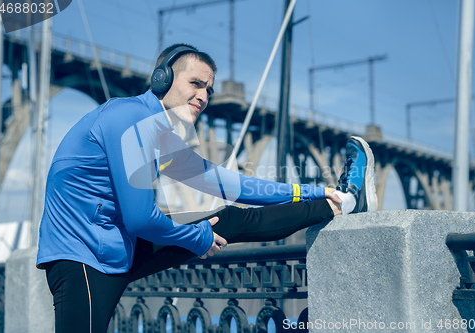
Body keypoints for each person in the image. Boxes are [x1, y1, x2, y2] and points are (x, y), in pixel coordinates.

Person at [36, 43, 377, 333]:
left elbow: (233, 185)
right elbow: (140, 217)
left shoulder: (159, 134)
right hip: (81, 257)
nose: (203, 96)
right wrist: (195, 237)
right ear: (162, 78)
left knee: (228, 219)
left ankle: (342, 202)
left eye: (209, 89)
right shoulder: (128, 118)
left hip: (114, 248)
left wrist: (318, 192)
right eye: (195, 83)